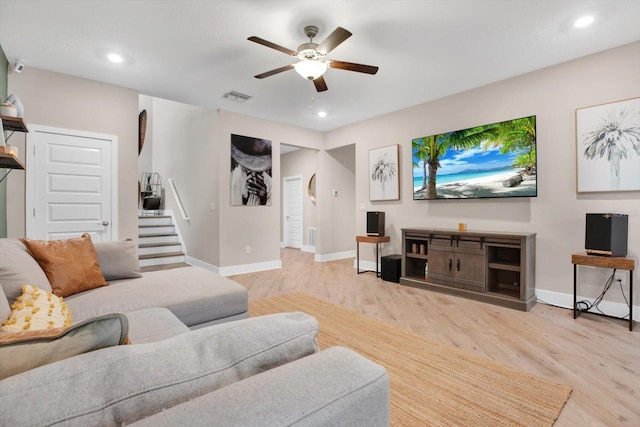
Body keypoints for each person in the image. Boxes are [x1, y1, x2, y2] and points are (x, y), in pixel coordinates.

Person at [230, 135, 272, 206]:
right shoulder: (231, 179)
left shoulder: (270, 182)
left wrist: (263, 198)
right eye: (248, 164)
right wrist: (245, 197)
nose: (253, 172)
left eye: (258, 163)